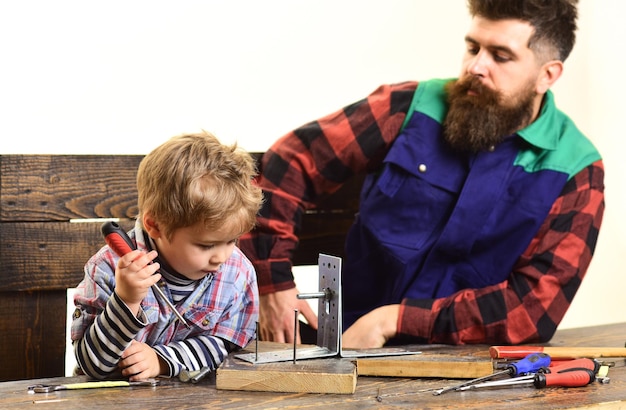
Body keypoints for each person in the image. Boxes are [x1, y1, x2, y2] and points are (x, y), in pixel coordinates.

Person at [238, 0, 605, 348]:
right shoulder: (410, 107)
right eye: (473, 47)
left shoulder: (577, 171)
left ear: (547, 75)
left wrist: (395, 320)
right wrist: (271, 282)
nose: (476, 66)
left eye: (500, 56)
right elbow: (291, 160)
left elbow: (531, 310)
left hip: (467, 371)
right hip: (346, 352)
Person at [71, 132, 263, 380]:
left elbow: (229, 346)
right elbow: (92, 365)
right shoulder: (108, 269)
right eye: (207, 245)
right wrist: (126, 301)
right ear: (155, 225)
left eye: (232, 240)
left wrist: (162, 360)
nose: (222, 257)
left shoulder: (237, 273)